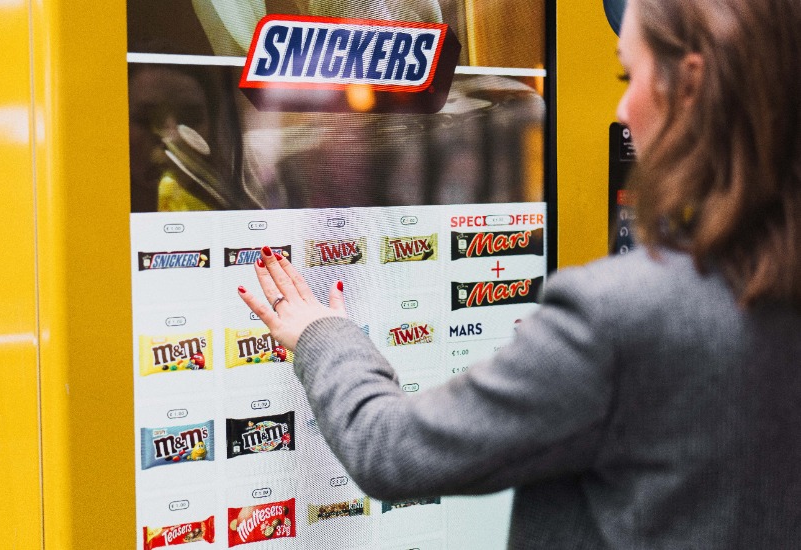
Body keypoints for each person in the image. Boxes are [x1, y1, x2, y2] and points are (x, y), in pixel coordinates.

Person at [237, 0, 801, 547]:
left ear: (691, 85)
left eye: (628, 75)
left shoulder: (621, 319)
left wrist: (321, 334)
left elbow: (390, 451)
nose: (622, 109)